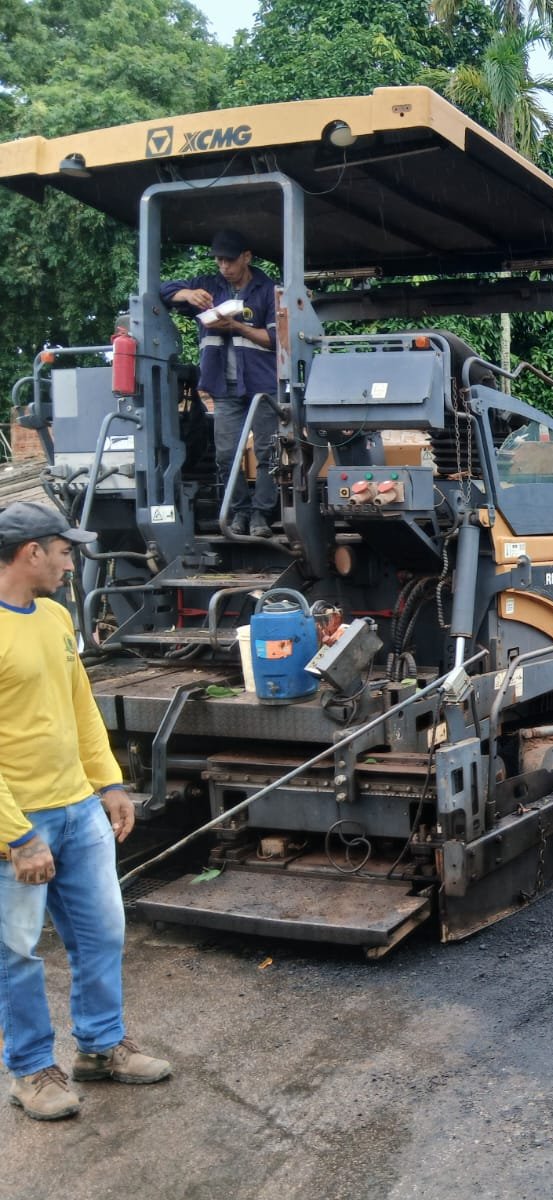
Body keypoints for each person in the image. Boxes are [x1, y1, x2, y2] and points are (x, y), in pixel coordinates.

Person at [0, 503, 172, 1122]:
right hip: (19, 821)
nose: (73, 561)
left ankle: (100, 1048)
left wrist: (109, 783)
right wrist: (17, 835)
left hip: (77, 809)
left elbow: (78, 707)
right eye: (65, 550)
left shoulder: (53, 616)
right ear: (31, 553)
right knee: (17, 954)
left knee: (102, 934)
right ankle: (30, 1072)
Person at [162, 229, 279, 538]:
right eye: (219, 261)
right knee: (226, 454)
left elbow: (274, 339)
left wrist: (236, 327)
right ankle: (239, 511)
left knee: (268, 452)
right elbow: (163, 291)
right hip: (224, 389)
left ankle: (262, 516)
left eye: (229, 260)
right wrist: (187, 295)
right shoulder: (209, 286)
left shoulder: (267, 290)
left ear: (247, 257)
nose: (223, 267)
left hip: (262, 385)